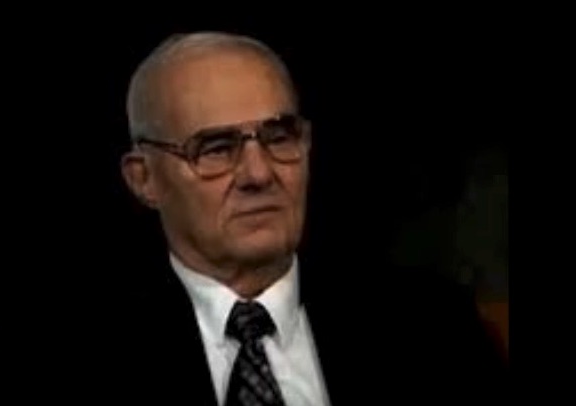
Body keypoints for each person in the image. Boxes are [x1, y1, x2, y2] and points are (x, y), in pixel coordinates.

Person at [112, 31, 506, 405]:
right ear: (144, 178)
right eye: (216, 148)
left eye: (279, 138)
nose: (259, 174)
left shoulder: (432, 323)